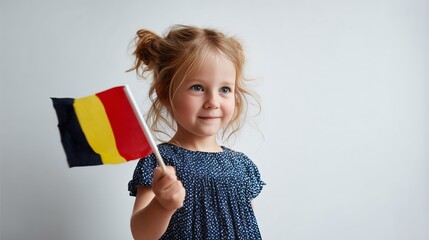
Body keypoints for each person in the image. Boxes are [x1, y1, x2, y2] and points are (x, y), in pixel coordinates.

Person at [127, 24, 265, 240]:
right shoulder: (161, 163)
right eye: (198, 87)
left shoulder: (242, 166)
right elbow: (141, 234)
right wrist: (163, 206)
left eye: (225, 89)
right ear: (165, 93)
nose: (213, 102)